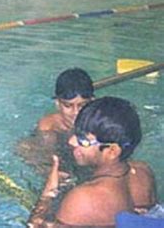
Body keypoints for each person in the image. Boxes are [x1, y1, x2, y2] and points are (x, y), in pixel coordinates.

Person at [28, 97, 158, 227]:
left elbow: (34, 226)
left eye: (83, 140)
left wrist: (48, 194)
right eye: (76, 134)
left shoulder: (83, 199)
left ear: (112, 151)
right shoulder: (143, 172)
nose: (71, 142)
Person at [17, 68, 95, 176]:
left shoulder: (100, 122)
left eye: (82, 105)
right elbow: (46, 162)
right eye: (68, 106)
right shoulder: (49, 128)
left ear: (92, 102)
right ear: (58, 103)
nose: (76, 112)